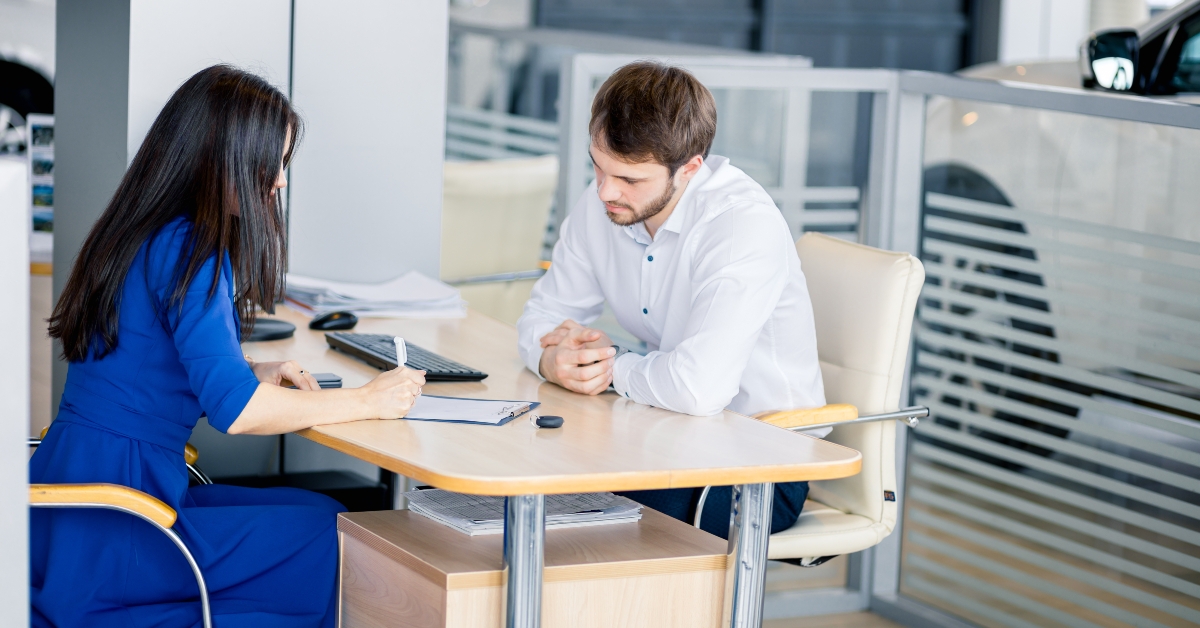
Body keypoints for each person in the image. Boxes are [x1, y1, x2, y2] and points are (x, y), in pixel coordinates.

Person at [32, 65, 426, 627]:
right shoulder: (194, 251)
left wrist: (248, 368)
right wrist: (368, 400)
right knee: (325, 533)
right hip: (117, 525)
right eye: (273, 163)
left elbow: (142, 362)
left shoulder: (142, 229)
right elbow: (236, 413)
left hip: (75, 492)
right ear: (223, 158)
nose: (281, 182)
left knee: (319, 510)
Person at [516, 61, 827, 539]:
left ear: (690, 168)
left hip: (757, 465)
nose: (605, 191)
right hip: (663, 431)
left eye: (630, 180)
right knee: (525, 457)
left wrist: (606, 366)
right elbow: (543, 315)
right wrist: (549, 358)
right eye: (598, 166)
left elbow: (697, 389)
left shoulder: (740, 227)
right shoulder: (605, 199)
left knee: (563, 494)